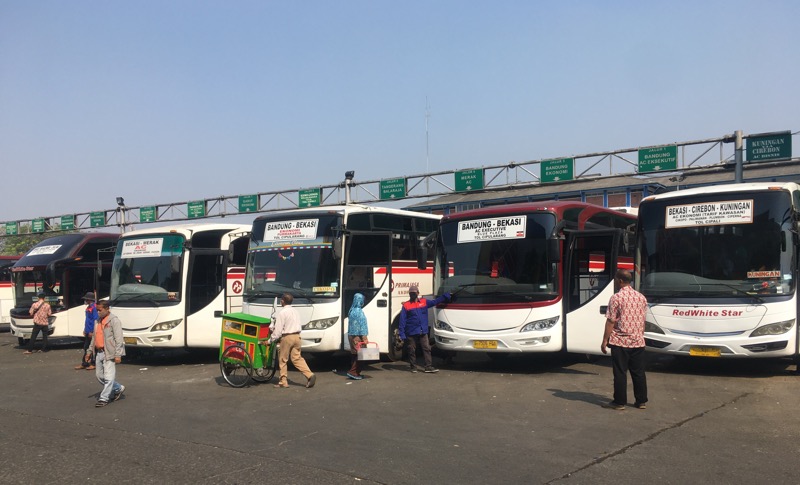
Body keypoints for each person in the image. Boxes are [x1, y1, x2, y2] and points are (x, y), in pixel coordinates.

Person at [600, 269, 648, 410]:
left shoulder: (616, 298)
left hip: (620, 341)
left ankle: (619, 402)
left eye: (615, 279)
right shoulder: (641, 297)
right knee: (638, 372)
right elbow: (642, 320)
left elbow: (611, 321)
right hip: (638, 341)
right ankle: (641, 401)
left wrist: (604, 340)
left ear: (620, 281)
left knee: (620, 372)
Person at [398, 285, 451, 373]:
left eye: (414, 293)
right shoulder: (406, 305)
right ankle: (413, 367)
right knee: (411, 349)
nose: (412, 294)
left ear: (418, 293)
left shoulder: (424, 302)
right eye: (411, 293)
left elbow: (435, 302)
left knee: (426, 348)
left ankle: (428, 367)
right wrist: (402, 334)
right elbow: (402, 321)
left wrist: (445, 296)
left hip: (423, 331)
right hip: (411, 332)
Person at [84, 300, 126, 407]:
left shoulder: (114, 321)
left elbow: (119, 339)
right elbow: (94, 338)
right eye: (97, 310)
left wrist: (118, 354)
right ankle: (118, 388)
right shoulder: (97, 321)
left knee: (108, 377)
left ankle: (104, 398)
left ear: (107, 309)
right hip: (99, 353)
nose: (98, 312)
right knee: (99, 376)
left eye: (100, 310)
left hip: (110, 353)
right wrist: (89, 352)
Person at [270, 293, 316, 389]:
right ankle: (309, 375)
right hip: (297, 337)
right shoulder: (295, 311)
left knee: (283, 359)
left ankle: (283, 381)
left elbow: (278, 331)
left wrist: (270, 340)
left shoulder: (282, 313)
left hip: (287, 337)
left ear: (282, 301)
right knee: (297, 358)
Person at [346, 293, 369, 380]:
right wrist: (365, 338)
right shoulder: (359, 312)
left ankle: (356, 373)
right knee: (361, 355)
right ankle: (353, 372)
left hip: (351, 336)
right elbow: (362, 326)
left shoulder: (351, 310)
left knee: (355, 355)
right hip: (357, 337)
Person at [75, 292, 98, 370]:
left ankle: (93, 363)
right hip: (88, 330)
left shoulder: (94, 307)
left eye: (86, 299)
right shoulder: (89, 308)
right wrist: (85, 330)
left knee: (93, 348)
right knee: (86, 348)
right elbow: (87, 320)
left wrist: (92, 331)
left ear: (89, 300)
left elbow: (95, 320)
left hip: (92, 331)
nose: (85, 300)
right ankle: (85, 363)